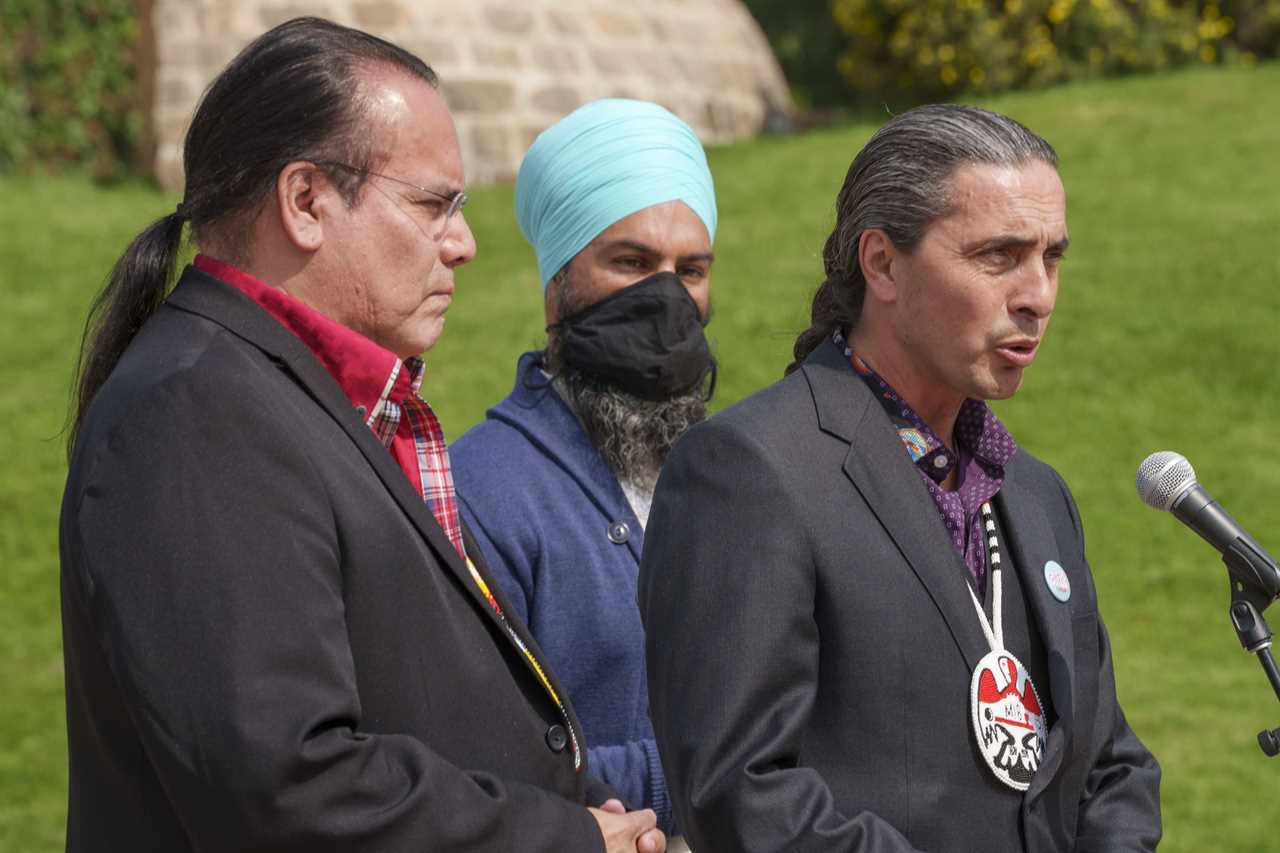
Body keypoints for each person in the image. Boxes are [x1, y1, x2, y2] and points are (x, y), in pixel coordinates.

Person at [59, 18, 664, 853]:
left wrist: (601, 818)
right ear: (306, 200)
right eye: (433, 204)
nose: (464, 243)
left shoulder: (298, 401)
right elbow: (284, 786)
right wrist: (565, 838)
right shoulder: (195, 411)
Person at [637, 104, 1162, 851]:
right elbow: (739, 792)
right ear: (881, 262)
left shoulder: (1036, 495)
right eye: (999, 256)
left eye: (1051, 257)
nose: (1038, 294)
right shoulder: (749, 471)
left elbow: (1110, 763)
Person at [451, 99, 717, 848]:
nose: (667, 297)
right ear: (556, 284)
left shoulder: (727, 474)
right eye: (631, 262)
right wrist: (721, 768)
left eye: (690, 270)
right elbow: (479, 766)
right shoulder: (481, 493)